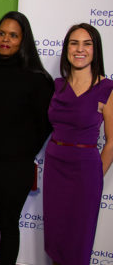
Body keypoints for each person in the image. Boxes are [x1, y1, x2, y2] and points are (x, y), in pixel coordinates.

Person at [0, 11, 54, 265]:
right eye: (2, 33)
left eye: (13, 35)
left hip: (16, 168)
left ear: (23, 40)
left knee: (8, 226)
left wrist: (22, 151)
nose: (6, 39)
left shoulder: (38, 79)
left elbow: (46, 124)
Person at [44, 23, 113, 265]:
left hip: (85, 172)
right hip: (54, 168)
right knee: (56, 236)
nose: (80, 49)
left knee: (78, 239)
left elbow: (112, 142)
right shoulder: (56, 85)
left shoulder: (107, 88)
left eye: (87, 43)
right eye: (74, 43)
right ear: (66, 49)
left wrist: (96, 175)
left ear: (96, 49)